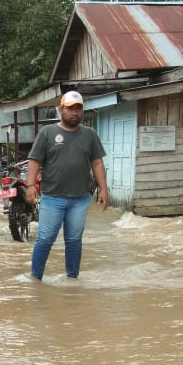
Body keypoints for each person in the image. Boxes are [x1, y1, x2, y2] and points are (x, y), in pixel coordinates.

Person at [24, 91, 108, 280]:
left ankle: (72, 278)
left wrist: (103, 188)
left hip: (80, 198)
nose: (75, 113)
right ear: (61, 109)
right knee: (45, 238)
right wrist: (30, 186)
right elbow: (34, 160)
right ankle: (35, 278)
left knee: (74, 240)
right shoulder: (48, 132)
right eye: (70, 108)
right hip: (52, 197)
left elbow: (96, 162)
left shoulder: (90, 135)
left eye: (78, 108)